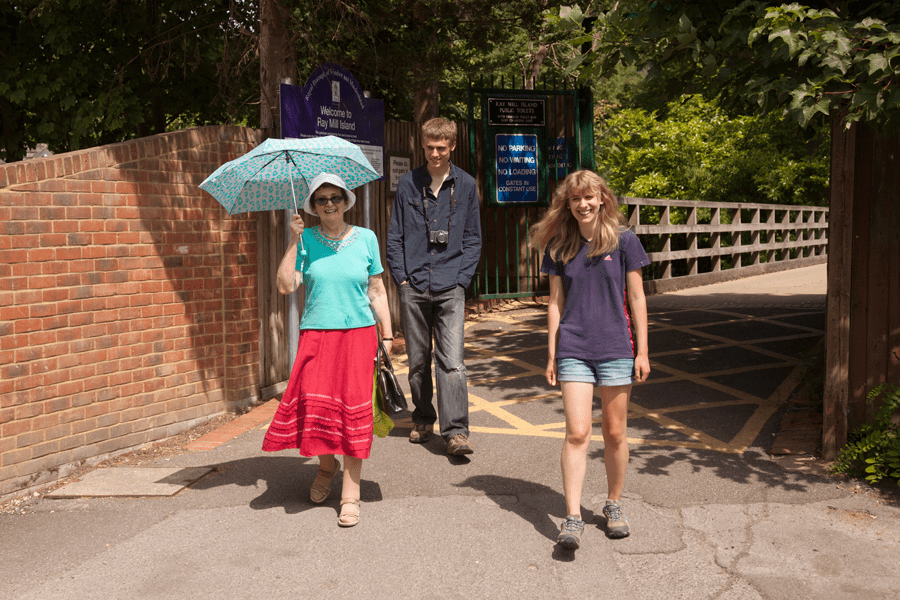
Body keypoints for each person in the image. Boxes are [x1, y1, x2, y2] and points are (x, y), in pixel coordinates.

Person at [262, 172, 393, 528]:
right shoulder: (305, 241)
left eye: (336, 197)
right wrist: (293, 241)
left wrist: (389, 335)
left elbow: (377, 289)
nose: (330, 204)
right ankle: (325, 466)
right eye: (322, 199)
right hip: (317, 336)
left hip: (358, 336)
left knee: (354, 413)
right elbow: (285, 285)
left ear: (347, 201)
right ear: (313, 206)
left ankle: (351, 493)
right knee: (313, 404)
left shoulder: (366, 238)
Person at [529, 169, 650, 548]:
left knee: (614, 433)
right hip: (574, 349)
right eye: (575, 198)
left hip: (616, 346)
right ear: (568, 204)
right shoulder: (559, 246)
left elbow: (637, 299)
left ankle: (614, 504)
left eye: (590, 197)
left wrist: (642, 350)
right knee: (577, 432)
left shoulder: (625, 241)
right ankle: (572, 516)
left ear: (603, 200)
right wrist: (551, 351)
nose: (583, 204)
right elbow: (555, 302)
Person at [386, 117, 482, 456]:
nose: (436, 153)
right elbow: (394, 235)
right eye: (430, 147)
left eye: (442, 147)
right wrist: (401, 277)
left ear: (452, 146)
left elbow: (473, 239)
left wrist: (461, 280)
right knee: (417, 359)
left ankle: (455, 432)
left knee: (452, 360)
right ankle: (423, 417)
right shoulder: (409, 184)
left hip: (450, 284)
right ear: (422, 146)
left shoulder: (467, 185)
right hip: (413, 283)